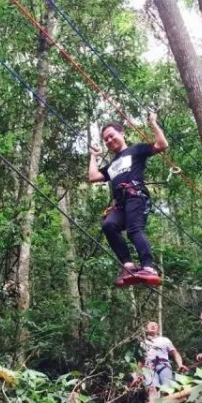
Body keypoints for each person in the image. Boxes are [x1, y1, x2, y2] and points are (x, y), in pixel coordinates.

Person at [88, 113, 168, 287]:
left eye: (111, 136)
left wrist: (153, 123)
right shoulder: (112, 165)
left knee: (134, 230)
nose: (109, 140)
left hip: (135, 196)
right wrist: (94, 155)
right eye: (105, 139)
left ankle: (148, 266)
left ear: (121, 133)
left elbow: (162, 145)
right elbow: (93, 177)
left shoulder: (136, 150)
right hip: (120, 203)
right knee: (109, 225)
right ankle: (128, 265)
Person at [140, 321, 187, 401]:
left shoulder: (165, 340)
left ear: (158, 329)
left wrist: (180, 364)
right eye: (151, 325)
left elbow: (175, 353)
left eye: (155, 325)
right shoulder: (143, 343)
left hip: (164, 365)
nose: (153, 326)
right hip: (149, 367)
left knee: (168, 389)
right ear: (146, 329)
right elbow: (140, 361)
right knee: (152, 389)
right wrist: (139, 374)